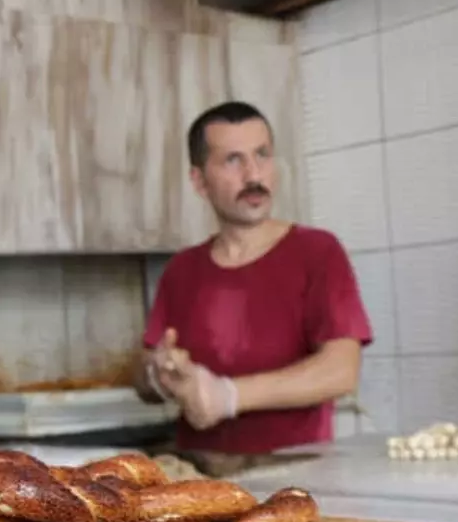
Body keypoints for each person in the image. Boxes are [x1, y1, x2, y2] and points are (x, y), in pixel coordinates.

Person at [134, 101, 373, 454]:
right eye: (233, 160)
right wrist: (158, 374)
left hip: (297, 478)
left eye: (262, 155)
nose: (253, 175)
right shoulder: (181, 270)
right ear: (199, 181)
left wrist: (228, 396)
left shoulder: (318, 252)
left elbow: (341, 370)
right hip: (202, 482)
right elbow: (142, 377)